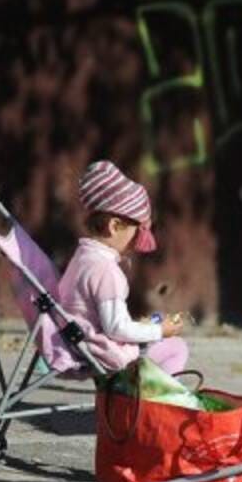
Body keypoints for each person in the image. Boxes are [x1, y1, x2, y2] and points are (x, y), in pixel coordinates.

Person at [58, 160, 188, 374]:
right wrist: (159, 331)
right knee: (176, 348)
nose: (139, 241)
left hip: (80, 344)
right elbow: (117, 328)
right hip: (105, 353)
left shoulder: (81, 259)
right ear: (115, 226)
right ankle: (156, 398)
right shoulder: (106, 271)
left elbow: (100, 317)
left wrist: (144, 326)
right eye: (139, 230)